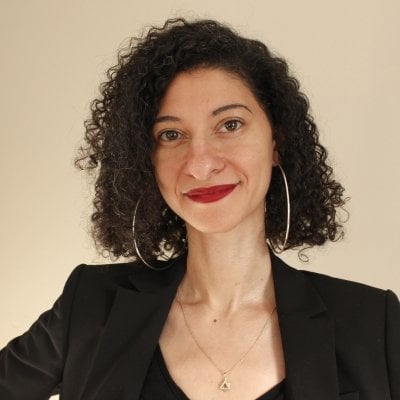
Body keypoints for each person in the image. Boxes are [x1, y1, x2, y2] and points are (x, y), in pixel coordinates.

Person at [0, 18, 399, 400]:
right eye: (171, 135)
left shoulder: (371, 321)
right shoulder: (89, 305)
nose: (200, 163)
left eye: (230, 125)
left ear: (276, 142)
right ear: (146, 159)